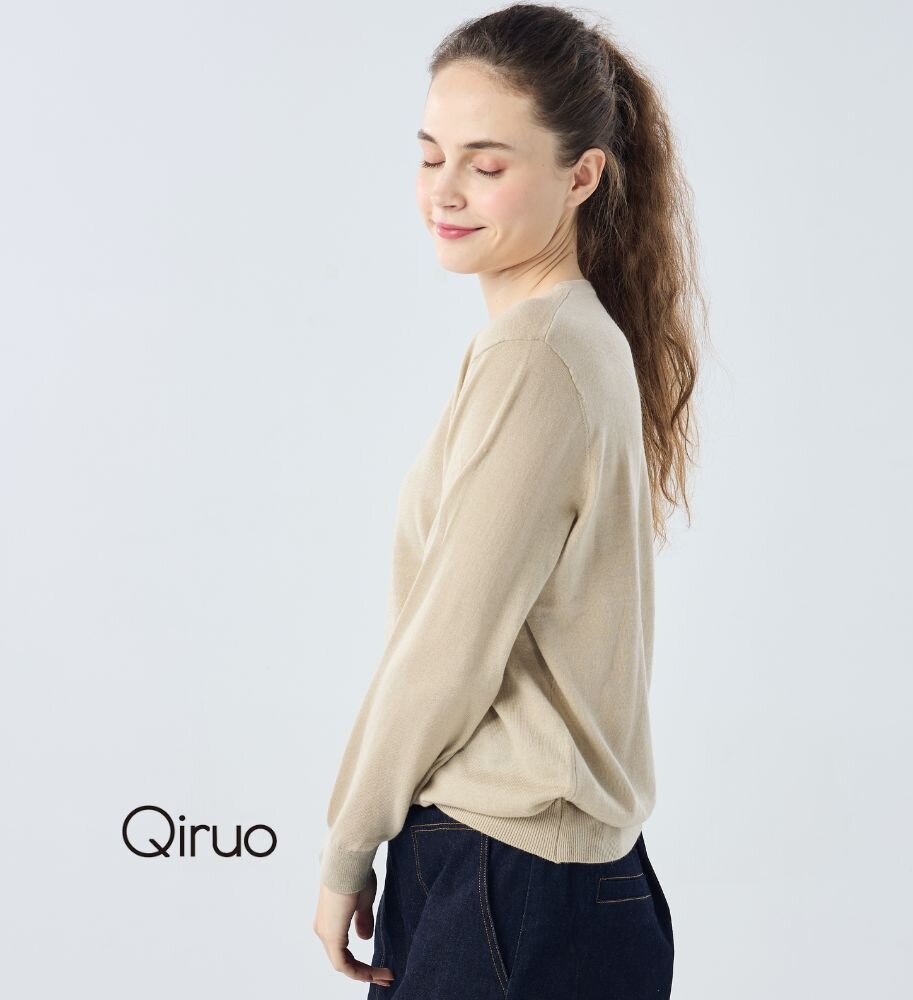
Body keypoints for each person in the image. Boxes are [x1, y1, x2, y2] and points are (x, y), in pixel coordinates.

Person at [312, 4, 707, 996]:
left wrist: (347, 843)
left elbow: (448, 644)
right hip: (560, 879)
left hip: (505, 872)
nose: (444, 190)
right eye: (429, 155)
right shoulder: (570, 338)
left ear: (582, 175)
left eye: (485, 166)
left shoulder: (538, 355)